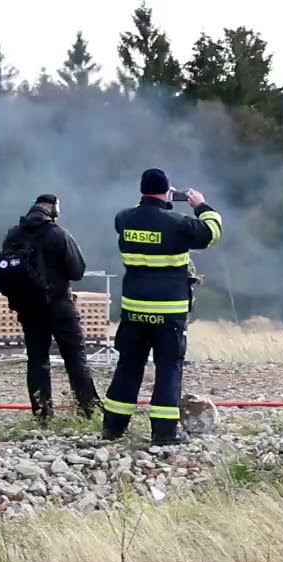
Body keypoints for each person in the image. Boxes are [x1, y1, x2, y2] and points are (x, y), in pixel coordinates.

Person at [101, 168, 223, 445]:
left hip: (133, 311)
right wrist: (201, 205)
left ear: (141, 191)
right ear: (168, 192)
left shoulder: (123, 219)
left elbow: (141, 222)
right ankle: (164, 434)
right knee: (168, 368)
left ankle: (113, 428)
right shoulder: (177, 223)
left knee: (128, 367)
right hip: (168, 312)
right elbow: (211, 233)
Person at [0, 193, 100, 423]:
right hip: (59, 306)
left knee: (37, 361)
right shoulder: (57, 233)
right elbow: (77, 271)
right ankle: (88, 411)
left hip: (28, 308)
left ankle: (42, 415)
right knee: (75, 358)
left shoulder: (14, 234)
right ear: (53, 208)